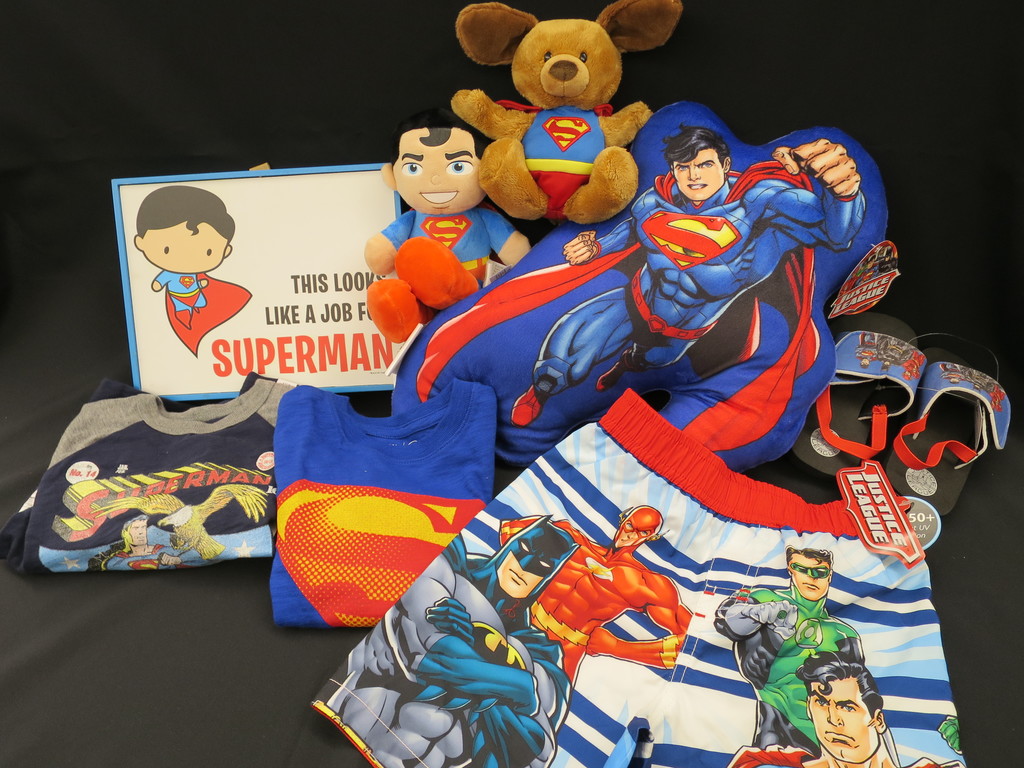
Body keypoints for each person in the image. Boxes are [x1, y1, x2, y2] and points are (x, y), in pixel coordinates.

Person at [509, 124, 866, 426]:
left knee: (647, 361)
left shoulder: (761, 203)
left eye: (705, 164)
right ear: (674, 170)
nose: (694, 176)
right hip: (636, 302)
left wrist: (843, 194)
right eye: (684, 167)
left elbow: (835, 234)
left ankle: (623, 366)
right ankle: (539, 394)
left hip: (686, 331)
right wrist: (598, 247)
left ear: (725, 164)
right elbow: (631, 230)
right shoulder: (654, 202)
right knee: (566, 353)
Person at [314, 516, 578, 768]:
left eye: (542, 567)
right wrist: (513, 686)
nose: (526, 565)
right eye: (524, 550)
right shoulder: (450, 566)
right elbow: (438, 657)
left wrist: (518, 684)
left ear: (549, 577)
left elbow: (535, 751)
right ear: (511, 544)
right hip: (358, 718)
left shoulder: (540, 651)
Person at [365, 108, 531, 342]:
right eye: (414, 168)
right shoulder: (410, 220)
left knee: (417, 253)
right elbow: (379, 257)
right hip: (423, 296)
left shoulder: (484, 217)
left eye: (458, 166)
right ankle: (405, 318)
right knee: (396, 283)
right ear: (392, 177)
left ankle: (457, 292)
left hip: (474, 294)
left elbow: (518, 252)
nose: (435, 179)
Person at [500, 506, 692, 680]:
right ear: (623, 520)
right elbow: (511, 534)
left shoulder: (647, 583)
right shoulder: (570, 538)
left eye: (642, 532)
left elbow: (691, 644)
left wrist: (618, 647)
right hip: (513, 625)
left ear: (651, 538)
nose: (630, 536)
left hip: (560, 655)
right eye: (630, 526)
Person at [715, 546, 863, 751]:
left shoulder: (843, 634)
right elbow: (726, 620)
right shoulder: (766, 599)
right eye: (802, 569)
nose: (812, 577)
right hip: (776, 728)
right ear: (791, 570)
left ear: (830, 576)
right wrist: (759, 614)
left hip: (830, 739)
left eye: (820, 572)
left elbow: (861, 695)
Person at [727, 652, 964, 768]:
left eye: (847, 707)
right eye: (821, 703)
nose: (834, 720)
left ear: (878, 720)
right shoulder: (763, 762)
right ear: (809, 709)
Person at [133, 185, 251, 353]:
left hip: (203, 305)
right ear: (140, 243)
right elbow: (159, 283)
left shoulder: (234, 295)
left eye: (208, 252)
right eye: (167, 249)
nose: (186, 259)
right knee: (184, 311)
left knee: (201, 303)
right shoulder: (155, 293)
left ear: (226, 251)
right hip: (179, 302)